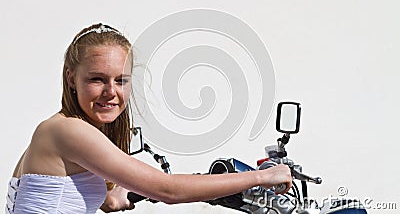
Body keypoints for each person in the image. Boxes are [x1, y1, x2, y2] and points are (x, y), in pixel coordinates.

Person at [6, 23, 292, 213]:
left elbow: (65, 195)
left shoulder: (60, 130)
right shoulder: (67, 131)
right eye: (97, 79)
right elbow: (167, 190)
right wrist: (262, 177)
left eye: (121, 80)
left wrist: (115, 195)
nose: (111, 92)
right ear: (72, 79)